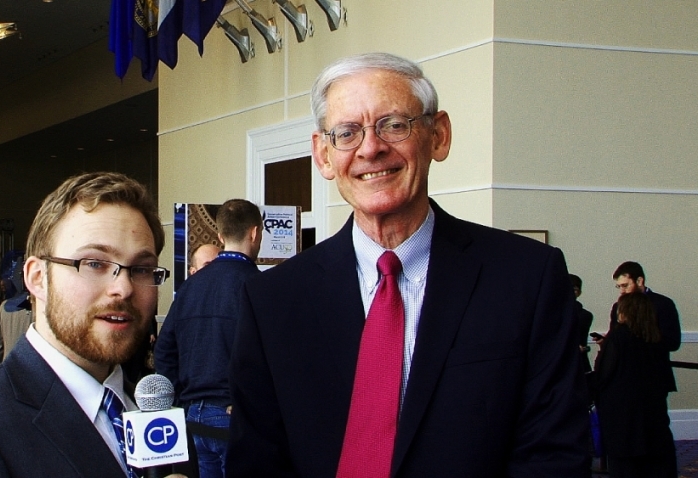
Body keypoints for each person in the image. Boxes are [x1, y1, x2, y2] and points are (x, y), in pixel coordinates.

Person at [226, 52, 588, 477]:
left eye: (394, 125)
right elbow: (258, 464)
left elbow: (552, 457)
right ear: (323, 155)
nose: (371, 148)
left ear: (438, 136)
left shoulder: (527, 279)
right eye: (346, 133)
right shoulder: (274, 301)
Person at [0, 172, 184, 478]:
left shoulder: (157, 416)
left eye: (142, 268)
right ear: (36, 278)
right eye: (95, 263)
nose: (124, 288)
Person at [156, 199, 262, 478]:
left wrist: (181, 401)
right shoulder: (260, 287)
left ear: (220, 236)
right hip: (235, 419)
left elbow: (165, 350)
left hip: (194, 419)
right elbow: (271, 359)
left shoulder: (190, 287)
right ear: (254, 233)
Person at [594, 292, 677, 478]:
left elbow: (604, 375)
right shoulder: (655, 339)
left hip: (622, 415)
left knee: (625, 467)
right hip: (653, 411)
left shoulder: (617, 338)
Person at [607, 261, 681, 392]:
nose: (622, 291)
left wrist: (637, 340)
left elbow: (673, 342)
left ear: (640, 281)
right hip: (625, 377)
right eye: (618, 287)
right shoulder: (617, 307)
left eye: (625, 285)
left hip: (654, 376)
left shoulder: (663, 304)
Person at [569, 274, 594, 373]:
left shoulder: (585, 315)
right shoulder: (550, 313)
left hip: (579, 364)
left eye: (574, 289)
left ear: (579, 292)